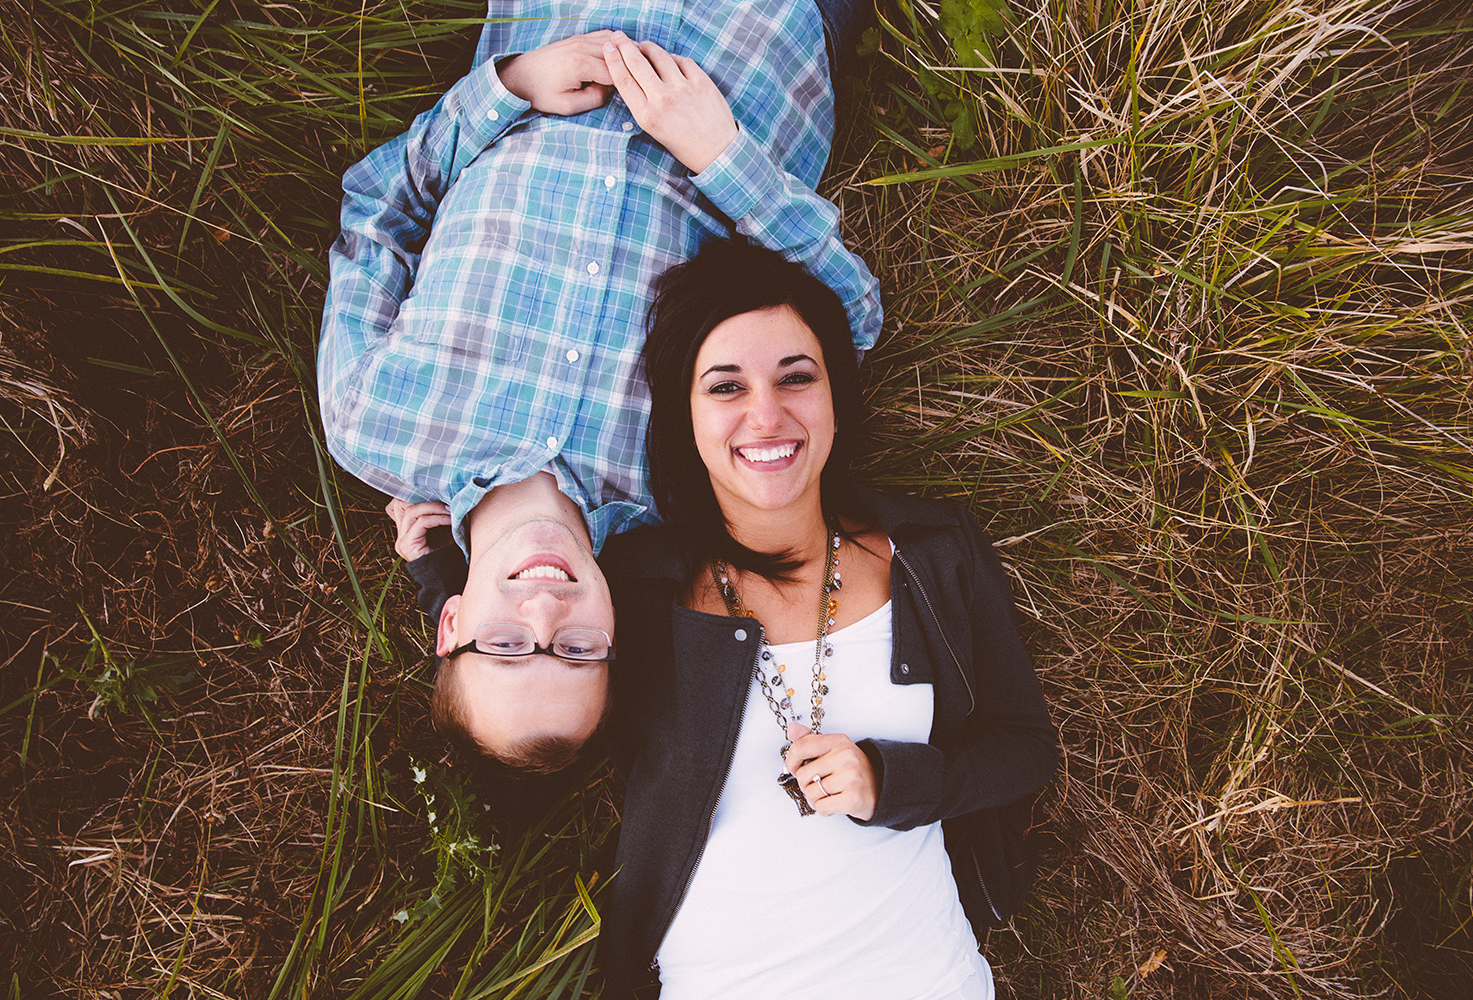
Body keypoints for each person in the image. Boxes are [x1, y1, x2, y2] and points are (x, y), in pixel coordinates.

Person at [318, 0, 882, 771]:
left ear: (451, 625)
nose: (546, 609)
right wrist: (721, 156)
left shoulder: (373, 420)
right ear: (615, 634)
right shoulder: (686, 477)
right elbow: (844, 322)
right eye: (577, 650)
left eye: (510, 645)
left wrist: (511, 85)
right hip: (762, 36)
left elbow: (380, 207)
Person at [595, 240, 1060, 998]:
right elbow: (530, 695)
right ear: (685, 418)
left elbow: (1024, 748)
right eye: (725, 387)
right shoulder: (639, 586)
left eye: (796, 378)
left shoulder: (933, 553)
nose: (766, 415)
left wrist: (893, 781)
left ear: (836, 398)